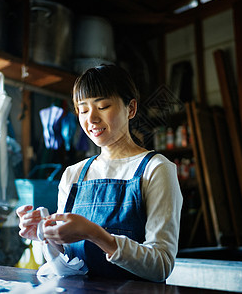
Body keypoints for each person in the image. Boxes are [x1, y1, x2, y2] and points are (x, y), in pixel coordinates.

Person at [16, 64, 183, 282]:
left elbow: (161, 265)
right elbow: (67, 256)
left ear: (130, 109)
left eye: (103, 106)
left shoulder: (155, 169)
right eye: (83, 110)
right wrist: (42, 233)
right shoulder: (73, 174)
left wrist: (95, 234)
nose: (91, 118)